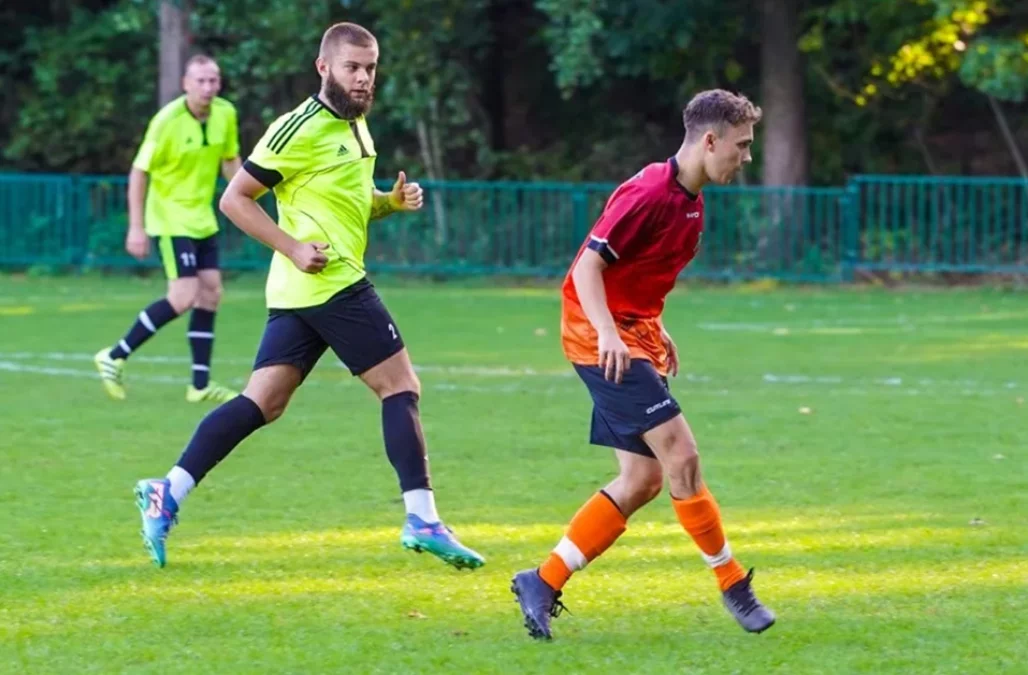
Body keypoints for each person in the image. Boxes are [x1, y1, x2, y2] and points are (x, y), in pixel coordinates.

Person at [130, 22, 486, 572]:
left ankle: (167, 490)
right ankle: (422, 518)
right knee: (400, 386)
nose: (363, 78)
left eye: (370, 68)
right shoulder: (296, 127)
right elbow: (235, 199)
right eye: (352, 67)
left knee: (261, 402)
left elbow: (348, 204)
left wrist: (389, 202)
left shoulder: (356, 124)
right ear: (324, 68)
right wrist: (293, 247)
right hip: (331, 282)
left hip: (304, 291)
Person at [510, 89, 776, 639]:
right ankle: (732, 583)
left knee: (641, 479)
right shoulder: (650, 193)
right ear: (710, 141)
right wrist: (611, 334)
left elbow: (637, 274)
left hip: (632, 335)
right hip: (599, 338)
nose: (747, 157)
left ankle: (542, 581)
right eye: (742, 145)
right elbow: (587, 269)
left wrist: (656, 326)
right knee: (682, 455)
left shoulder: (691, 201)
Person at [94, 55, 242, 404]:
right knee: (183, 296)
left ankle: (200, 385)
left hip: (203, 219)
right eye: (200, 81)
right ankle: (114, 355)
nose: (208, 87)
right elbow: (139, 172)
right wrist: (136, 227)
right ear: (185, 84)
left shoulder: (226, 113)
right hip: (171, 219)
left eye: (213, 80)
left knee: (211, 293)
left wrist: (246, 196)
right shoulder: (166, 121)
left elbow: (230, 160)